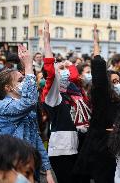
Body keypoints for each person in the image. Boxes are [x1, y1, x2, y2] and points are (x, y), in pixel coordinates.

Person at [0, 44, 54, 183]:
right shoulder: (2, 106)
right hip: (11, 168)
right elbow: (29, 101)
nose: (24, 83)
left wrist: (47, 170)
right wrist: (28, 66)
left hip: (30, 166)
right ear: (8, 87)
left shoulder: (26, 108)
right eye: (21, 80)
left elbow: (37, 139)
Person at [73, 24, 120, 183]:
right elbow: (100, 74)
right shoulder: (102, 96)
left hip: (115, 148)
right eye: (114, 81)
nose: (117, 84)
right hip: (99, 147)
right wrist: (96, 46)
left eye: (119, 81)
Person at [41, 20, 80, 183]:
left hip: (74, 145)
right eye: (60, 69)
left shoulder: (71, 92)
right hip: (61, 149)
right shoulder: (52, 96)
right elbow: (51, 71)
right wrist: (47, 43)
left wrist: (68, 65)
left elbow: (75, 77)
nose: (64, 72)